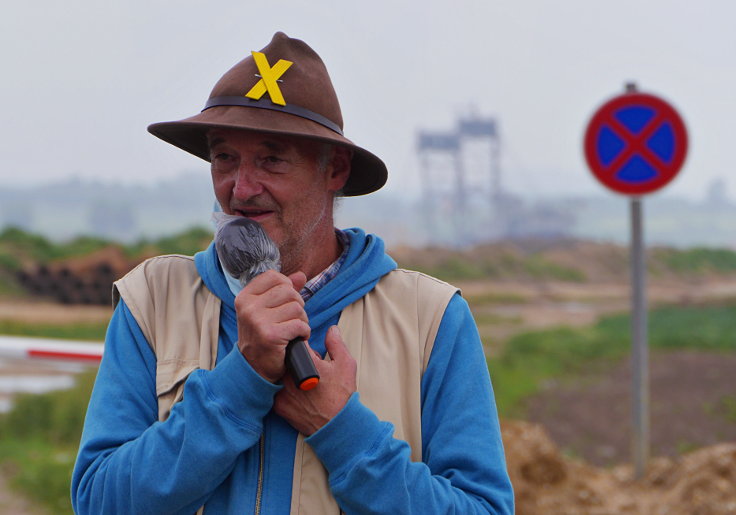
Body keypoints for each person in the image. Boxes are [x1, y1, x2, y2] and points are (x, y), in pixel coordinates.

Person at [71, 32, 514, 514]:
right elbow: (98, 501)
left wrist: (342, 431)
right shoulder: (153, 301)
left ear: (335, 169)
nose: (240, 187)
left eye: (271, 159)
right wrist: (240, 382)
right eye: (224, 157)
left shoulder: (431, 319)